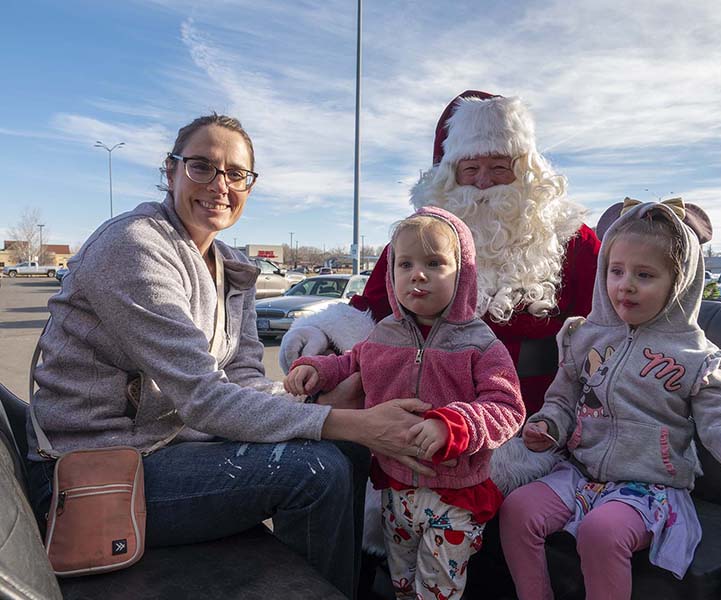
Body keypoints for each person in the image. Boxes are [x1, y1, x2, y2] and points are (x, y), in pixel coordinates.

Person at [25, 114, 438, 599]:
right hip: (98, 470)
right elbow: (203, 397)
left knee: (345, 451)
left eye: (236, 174)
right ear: (171, 170)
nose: (220, 185)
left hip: (172, 448)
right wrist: (353, 421)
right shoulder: (133, 248)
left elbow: (241, 381)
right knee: (315, 472)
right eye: (202, 167)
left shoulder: (231, 269)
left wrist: (318, 406)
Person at [499, 198, 721, 600]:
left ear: (678, 283)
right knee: (517, 509)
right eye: (616, 271)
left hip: (649, 489)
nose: (625, 284)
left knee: (601, 532)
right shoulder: (583, 337)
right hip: (581, 476)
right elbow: (561, 401)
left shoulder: (698, 359)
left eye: (644, 274)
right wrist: (548, 425)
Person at [279, 90, 601, 416]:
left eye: (500, 167)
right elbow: (372, 312)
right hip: (427, 415)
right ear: (449, 176)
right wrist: (322, 341)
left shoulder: (571, 238)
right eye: (471, 168)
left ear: (525, 171)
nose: (484, 182)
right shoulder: (417, 238)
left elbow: (612, 322)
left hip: (541, 417)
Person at [285, 207, 525, 599]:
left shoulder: (480, 344)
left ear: (462, 273)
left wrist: (454, 425)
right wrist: (317, 369)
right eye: (406, 264)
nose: (418, 274)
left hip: (454, 494)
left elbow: (507, 407)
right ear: (390, 273)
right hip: (395, 489)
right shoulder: (385, 333)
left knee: (438, 589)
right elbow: (351, 361)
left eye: (435, 263)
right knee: (401, 580)